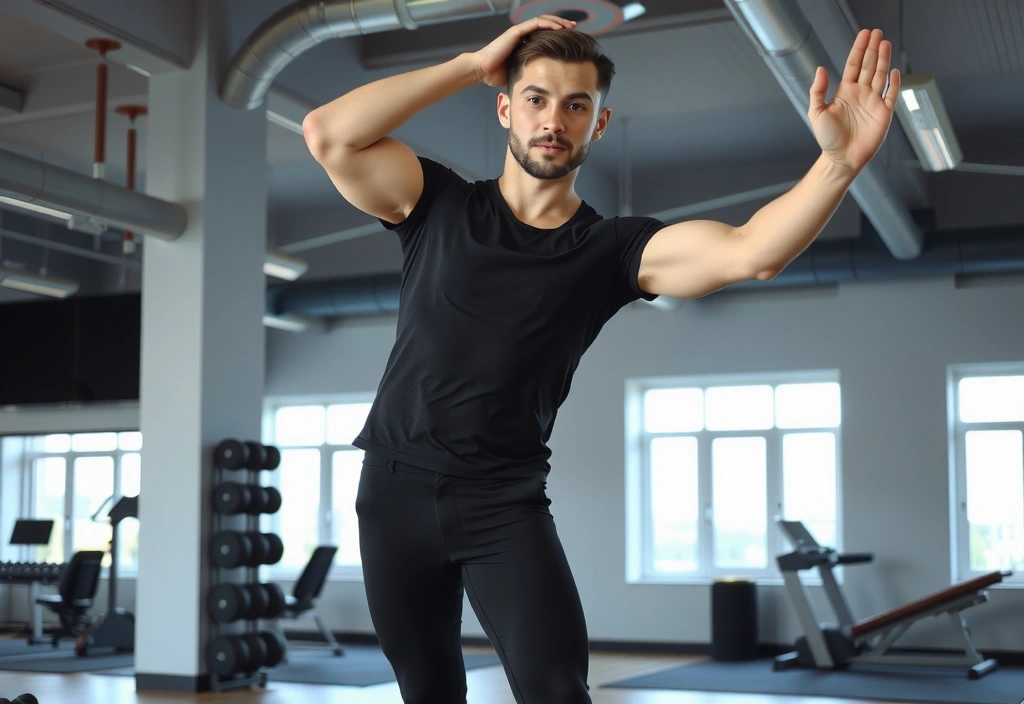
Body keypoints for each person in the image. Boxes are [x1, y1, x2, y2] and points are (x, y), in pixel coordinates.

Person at [302, 15, 900, 704]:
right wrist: (473, 62)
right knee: (427, 689)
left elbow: (752, 252)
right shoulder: (436, 204)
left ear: (600, 125)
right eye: (536, 98)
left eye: (575, 105)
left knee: (558, 689)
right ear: (505, 107)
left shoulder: (611, 251)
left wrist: (840, 163)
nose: (553, 119)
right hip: (394, 491)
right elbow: (327, 133)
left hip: (504, 501)